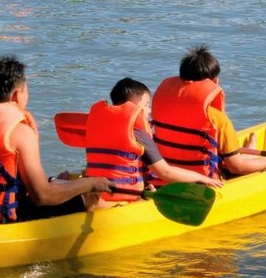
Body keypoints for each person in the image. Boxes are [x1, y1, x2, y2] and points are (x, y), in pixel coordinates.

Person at [0, 55, 112, 224]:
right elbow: (43, 196)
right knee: (89, 197)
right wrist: (90, 183)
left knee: (55, 183)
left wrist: (61, 183)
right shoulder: (19, 131)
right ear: (18, 94)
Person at [81, 77, 223, 207]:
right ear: (133, 107)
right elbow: (165, 172)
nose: (149, 111)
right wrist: (203, 178)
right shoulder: (139, 134)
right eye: (146, 105)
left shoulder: (99, 127)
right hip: (126, 199)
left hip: (99, 196)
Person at [151, 46, 266, 179]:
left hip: (164, 177)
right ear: (215, 82)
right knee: (236, 161)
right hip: (204, 183)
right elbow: (236, 167)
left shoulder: (158, 109)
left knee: (228, 156)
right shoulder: (217, 119)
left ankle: (250, 149)